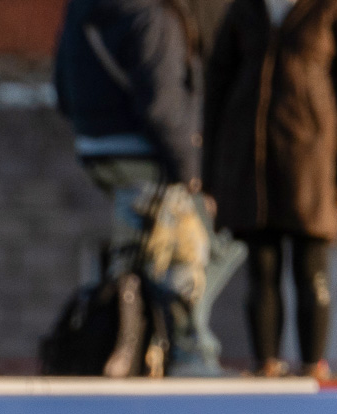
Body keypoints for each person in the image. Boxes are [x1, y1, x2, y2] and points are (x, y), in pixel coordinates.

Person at [54, 0, 240, 376]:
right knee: (184, 249)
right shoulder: (152, 17)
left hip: (96, 147)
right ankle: (190, 355)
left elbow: (61, 87)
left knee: (137, 257)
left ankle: (136, 350)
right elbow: (163, 105)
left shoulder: (82, 12)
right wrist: (190, 173)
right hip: (145, 152)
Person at [204, 0, 337, 378]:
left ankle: (313, 364)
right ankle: (265, 362)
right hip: (251, 161)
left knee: (310, 264)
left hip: (314, 156)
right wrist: (210, 171)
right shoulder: (244, 8)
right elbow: (217, 82)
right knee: (261, 266)